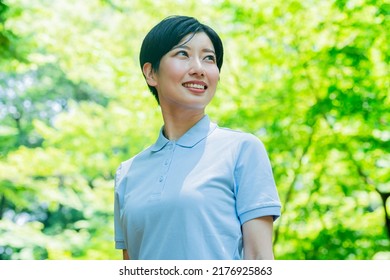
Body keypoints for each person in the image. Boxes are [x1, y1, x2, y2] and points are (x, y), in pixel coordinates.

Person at [114, 15, 281, 260]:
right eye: (183, 54)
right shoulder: (127, 174)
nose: (199, 69)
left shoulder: (242, 149)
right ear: (151, 74)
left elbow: (259, 260)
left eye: (209, 58)